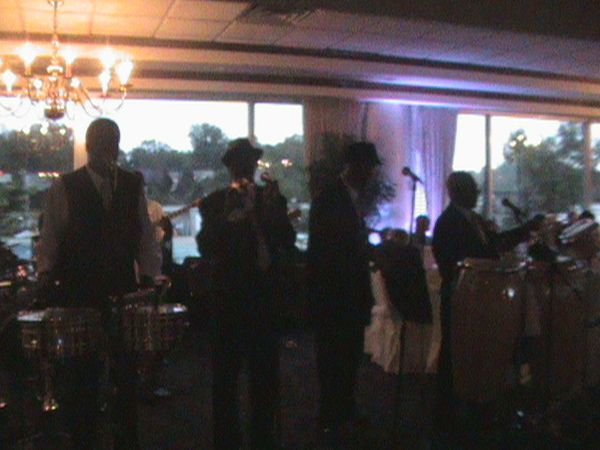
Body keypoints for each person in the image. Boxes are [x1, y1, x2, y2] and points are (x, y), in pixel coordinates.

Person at [37, 118, 161, 449]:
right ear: (90, 147)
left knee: (125, 374)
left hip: (122, 291)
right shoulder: (65, 186)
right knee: (82, 377)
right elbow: (51, 238)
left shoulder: (132, 185)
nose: (110, 150)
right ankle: (85, 438)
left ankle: (126, 439)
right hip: (79, 293)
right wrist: (45, 275)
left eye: (113, 143)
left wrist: (150, 276)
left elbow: (144, 236)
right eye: (104, 144)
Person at [197, 138, 295, 450]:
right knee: (225, 381)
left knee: (265, 379)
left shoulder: (271, 199)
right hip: (227, 301)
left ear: (254, 166)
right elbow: (205, 246)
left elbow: (288, 240)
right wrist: (226, 217)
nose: (245, 168)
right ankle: (226, 442)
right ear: (230, 168)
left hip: (263, 301)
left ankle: (263, 440)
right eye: (239, 163)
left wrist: (273, 212)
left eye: (249, 162)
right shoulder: (215, 202)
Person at [431, 171, 541, 433]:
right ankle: (447, 415)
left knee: (478, 352)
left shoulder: (474, 220)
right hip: (462, 298)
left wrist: (525, 229)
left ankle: (476, 406)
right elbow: (451, 264)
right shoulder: (447, 222)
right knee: (455, 354)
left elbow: (496, 244)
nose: (478, 193)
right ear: (458, 192)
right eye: (473, 188)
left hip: (482, 297)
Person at [307, 141, 381, 444]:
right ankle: (330, 415)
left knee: (349, 355)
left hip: (346, 294)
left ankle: (344, 408)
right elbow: (330, 250)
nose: (372, 173)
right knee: (333, 356)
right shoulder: (331, 199)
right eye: (370, 167)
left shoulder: (342, 197)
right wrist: (366, 251)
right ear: (356, 166)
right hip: (335, 295)